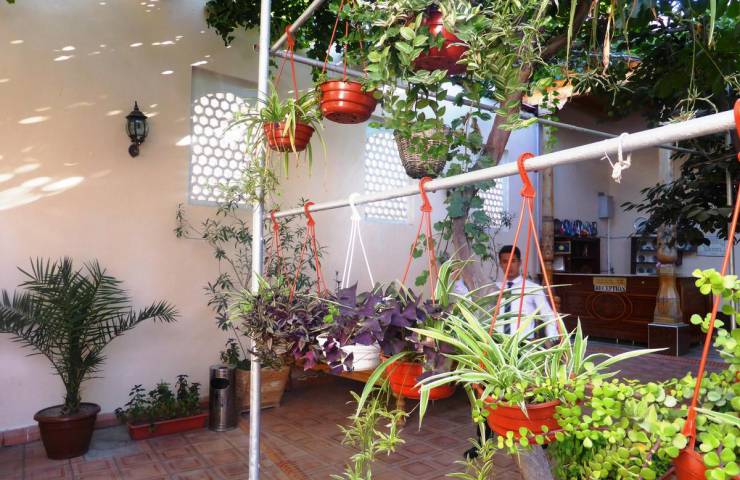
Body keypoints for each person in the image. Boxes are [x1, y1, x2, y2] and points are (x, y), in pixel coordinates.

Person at [460, 245, 560, 459]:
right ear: (500, 263)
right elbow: (471, 301)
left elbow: (548, 316)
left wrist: (552, 343)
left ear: (520, 262)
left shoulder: (532, 288)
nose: (509, 266)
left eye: (513, 261)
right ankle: (483, 441)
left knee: (530, 394)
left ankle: (536, 437)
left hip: (523, 349)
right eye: (505, 262)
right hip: (496, 349)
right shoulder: (493, 289)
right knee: (485, 394)